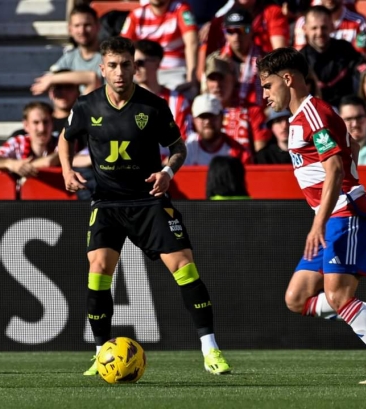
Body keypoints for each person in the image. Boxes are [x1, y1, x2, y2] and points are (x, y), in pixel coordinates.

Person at [58, 37, 231, 376]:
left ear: (135, 67)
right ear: (102, 68)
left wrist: (168, 171)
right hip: (107, 202)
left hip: (148, 200)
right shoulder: (86, 106)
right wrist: (66, 170)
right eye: (113, 65)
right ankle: (100, 352)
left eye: (126, 64)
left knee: (184, 266)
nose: (120, 72)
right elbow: (66, 138)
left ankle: (210, 349)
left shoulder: (152, 105)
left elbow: (178, 147)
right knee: (98, 270)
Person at [257, 47, 366, 384]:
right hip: (332, 215)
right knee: (296, 299)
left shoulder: (314, 112)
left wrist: (317, 223)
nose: (264, 94)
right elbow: (351, 145)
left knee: (338, 296)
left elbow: (334, 168)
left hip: (346, 212)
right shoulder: (302, 117)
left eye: (267, 85)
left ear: (287, 79)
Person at [119, 0, 199, 96]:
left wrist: (191, 78)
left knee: (187, 93)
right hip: (142, 70)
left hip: (173, 71)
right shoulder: (136, 15)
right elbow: (122, 48)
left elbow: (192, 42)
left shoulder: (181, 9)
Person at [299, 6, 365, 109]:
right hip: (315, 112)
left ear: (332, 27)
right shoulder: (300, 59)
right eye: (314, 28)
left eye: (324, 27)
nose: (320, 33)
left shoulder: (345, 49)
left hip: (346, 110)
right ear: (305, 29)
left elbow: (361, 69)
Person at [32, 5, 102, 95]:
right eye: (77, 26)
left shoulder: (109, 56)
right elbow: (49, 79)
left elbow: (93, 79)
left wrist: (52, 79)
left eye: (87, 25)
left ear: (98, 26)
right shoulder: (69, 58)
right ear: (70, 29)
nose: (82, 31)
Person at [0, 102, 59, 176]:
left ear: (52, 123)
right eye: (36, 122)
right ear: (26, 125)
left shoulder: (61, 142)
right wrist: (10, 164)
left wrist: (24, 167)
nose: (42, 129)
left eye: (46, 122)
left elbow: (49, 162)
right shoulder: (18, 142)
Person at [185, 93, 253, 165]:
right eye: (203, 116)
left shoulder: (239, 153)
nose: (207, 121)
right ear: (194, 120)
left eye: (212, 116)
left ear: (222, 117)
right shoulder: (186, 150)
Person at [293, 0, 366, 59]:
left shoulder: (359, 22)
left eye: (324, 27)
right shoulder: (303, 23)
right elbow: (300, 58)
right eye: (314, 28)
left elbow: (362, 58)